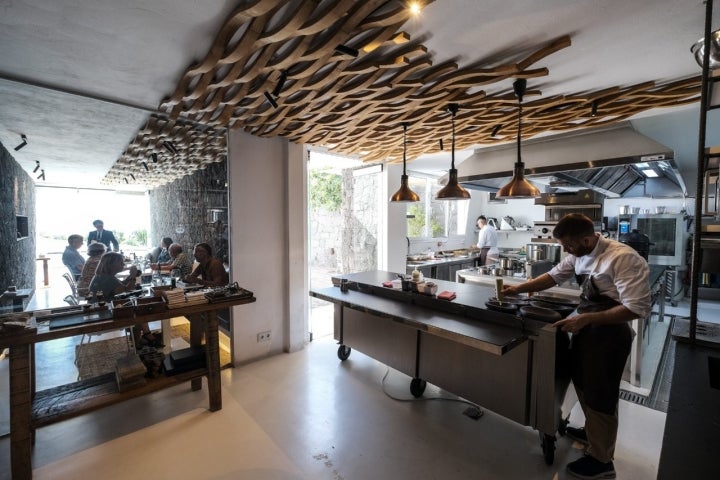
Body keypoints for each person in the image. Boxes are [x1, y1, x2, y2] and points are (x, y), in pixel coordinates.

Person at [501, 214, 650, 479]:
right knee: (583, 384)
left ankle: (602, 462)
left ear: (586, 238)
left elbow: (636, 308)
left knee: (600, 394)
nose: (565, 251)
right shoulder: (578, 254)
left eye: (568, 245)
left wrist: (586, 319)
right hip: (588, 331)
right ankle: (594, 435)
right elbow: (553, 277)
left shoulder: (622, 258)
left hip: (610, 337)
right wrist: (518, 289)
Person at [88, 252, 159, 347]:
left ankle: (144, 335)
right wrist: (133, 276)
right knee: (138, 311)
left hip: (97, 311)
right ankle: (138, 342)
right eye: (121, 262)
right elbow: (128, 289)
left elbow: (121, 287)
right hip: (102, 315)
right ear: (111, 264)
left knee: (136, 306)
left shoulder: (102, 276)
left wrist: (130, 277)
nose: (124, 265)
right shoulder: (107, 279)